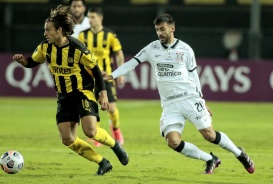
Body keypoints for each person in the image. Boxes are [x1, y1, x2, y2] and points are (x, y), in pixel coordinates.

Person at [103, 14, 255, 174]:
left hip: (189, 98)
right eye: (157, 30)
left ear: (172, 28)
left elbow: (193, 75)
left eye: (162, 29)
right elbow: (132, 63)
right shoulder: (151, 48)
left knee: (209, 135)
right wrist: (112, 75)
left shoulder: (186, 49)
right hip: (170, 104)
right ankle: (210, 159)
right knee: (173, 141)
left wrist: (201, 100)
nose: (159, 33)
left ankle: (240, 154)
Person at [12, 5, 128, 176]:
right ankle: (102, 162)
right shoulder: (45, 47)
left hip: (83, 92)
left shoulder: (77, 48)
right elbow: (33, 62)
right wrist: (23, 61)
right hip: (63, 97)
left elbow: (95, 69)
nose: (45, 33)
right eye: (45, 30)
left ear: (59, 30)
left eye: (48, 30)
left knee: (90, 131)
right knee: (67, 139)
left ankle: (115, 144)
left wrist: (103, 93)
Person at [78, 7, 125, 147]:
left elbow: (119, 54)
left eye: (93, 17)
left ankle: (116, 129)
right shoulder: (82, 35)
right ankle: (96, 134)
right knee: (91, 106)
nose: (90, 20)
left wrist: (120, 72)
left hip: (105, 77)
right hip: (88, 77)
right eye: (89, 17)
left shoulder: (110, 35)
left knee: (111, 108)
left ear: (100, 18)